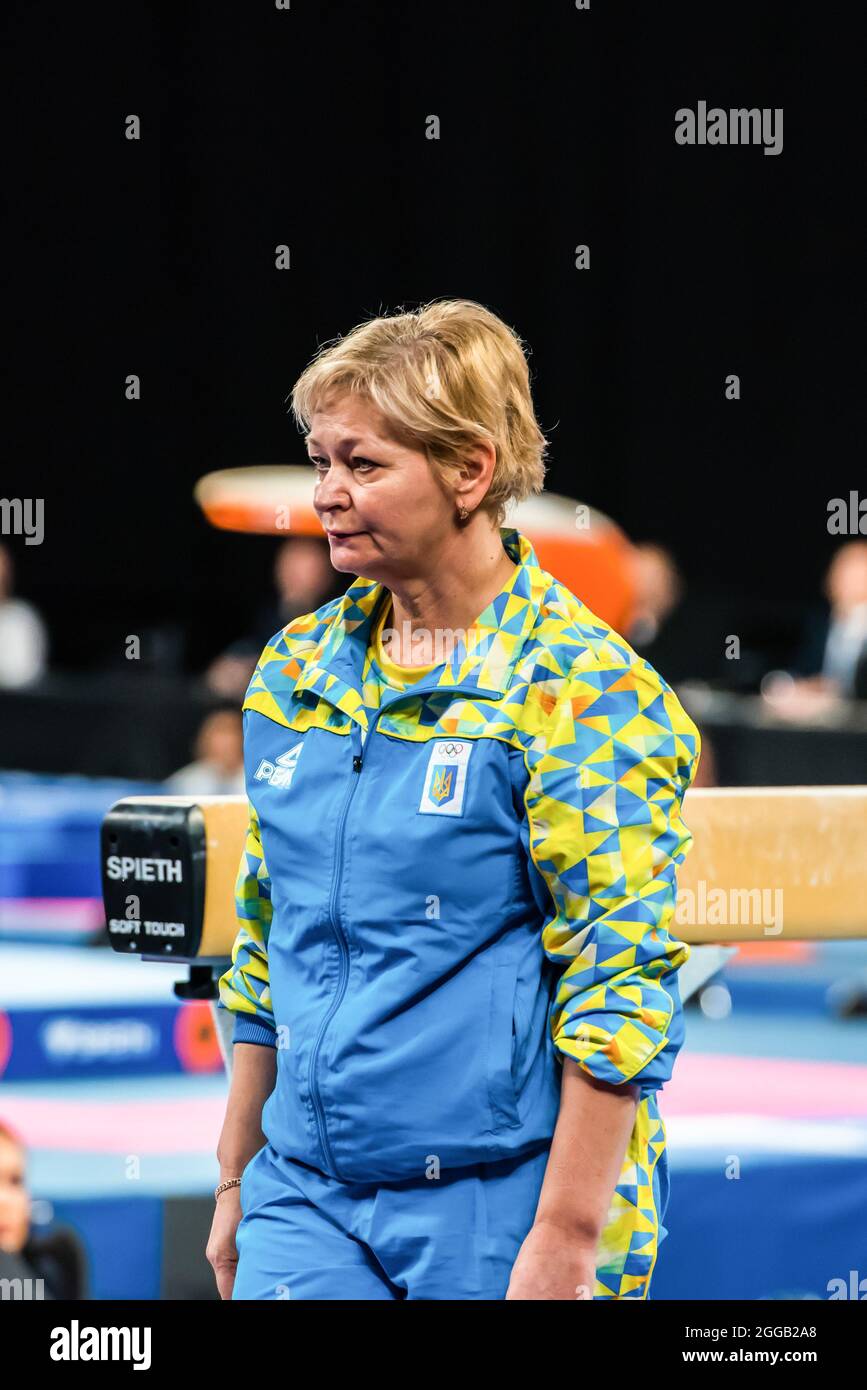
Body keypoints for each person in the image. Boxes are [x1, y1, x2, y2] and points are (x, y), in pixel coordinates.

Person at [208, 298, 702, 1301]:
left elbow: (620, 984)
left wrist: (567, 1236)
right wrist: (234, 1177)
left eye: (364, 464)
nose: (328, 495)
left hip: (504, 1201)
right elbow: (266, 942)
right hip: (305, 1195)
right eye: (321, 462)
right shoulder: (297, 671)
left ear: (471, 472)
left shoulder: (586, 690)